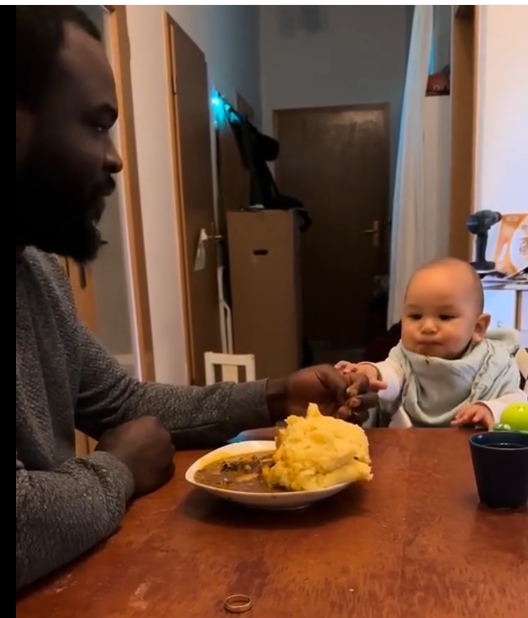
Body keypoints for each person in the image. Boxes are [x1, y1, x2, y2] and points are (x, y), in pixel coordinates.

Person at [16, 7, 372, 590]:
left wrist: (277, 394)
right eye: (96, 124)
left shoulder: (36, 271)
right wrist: (119, 471)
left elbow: (122, 402)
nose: (115, 158)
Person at [337, 258, 527, 429]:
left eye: (444, 317)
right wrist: (370, 373)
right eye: (415, 316)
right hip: (410, 451)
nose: (427, 327)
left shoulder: (496, 363)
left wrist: (490, 409)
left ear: (477, 327)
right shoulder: (404, 356)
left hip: (470, 455)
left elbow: (519, 403)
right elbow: (389, 377)